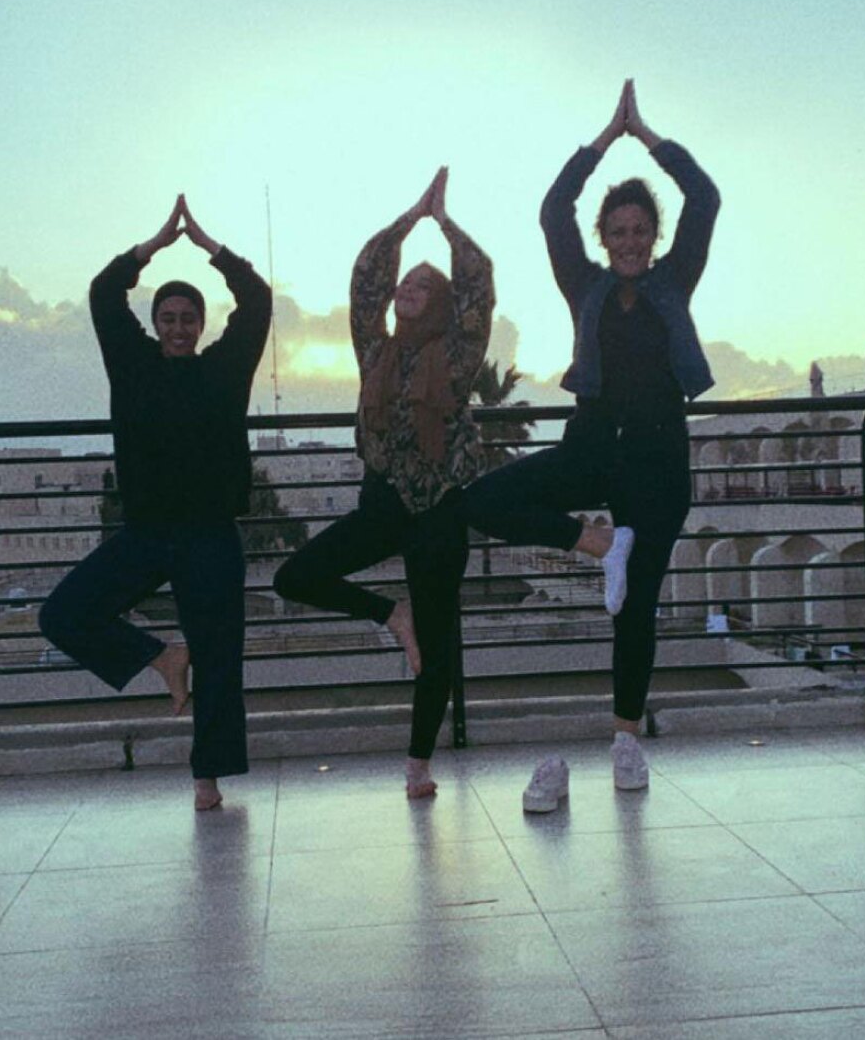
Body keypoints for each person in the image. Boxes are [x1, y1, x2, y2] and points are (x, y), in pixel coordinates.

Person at [463, 80, 720, 804]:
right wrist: (606, 138)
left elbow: (705, 199)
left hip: (661, 457)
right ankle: (598, 544)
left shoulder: (676, 279)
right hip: (592, 444)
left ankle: (625, 743)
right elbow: (552, 211)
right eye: (620, 230)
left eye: (641, 230)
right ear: (604, 238)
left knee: (636, 608)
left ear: (654, 239)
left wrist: (652, 138)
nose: (631, 241)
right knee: (484, 499)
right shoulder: (585, 286)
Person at [39, 195, 272, 811]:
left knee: (220, 658)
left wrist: (209, 246)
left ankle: (208, 778)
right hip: (145, 533)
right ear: (156, 322)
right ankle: (161, 658)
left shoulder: (225, 367)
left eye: (187, 318)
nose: (176, 327)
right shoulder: (133, 364)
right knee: (62, 614)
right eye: (167, 317)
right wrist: (154, 245)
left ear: (201, 325)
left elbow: (258, 303)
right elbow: (102, 294)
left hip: (210, 534)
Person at [273, 167, 494, 798]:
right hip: (381, 505)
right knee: (296, 576)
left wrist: (445, 225)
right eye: (407, 282)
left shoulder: (457, 355)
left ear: (442, 304)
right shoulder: (377, 353)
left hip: (438, 514)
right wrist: (407, 221)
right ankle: (387, 614)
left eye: (423, 286)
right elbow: (366, 278)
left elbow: (479, 283)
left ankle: (418, 765)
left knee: (439, 644)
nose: (406, 288)